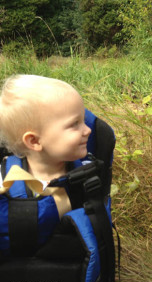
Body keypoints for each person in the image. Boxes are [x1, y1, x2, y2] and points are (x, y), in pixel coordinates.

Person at [0, 74, 91, 215]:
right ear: (34, 141)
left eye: (84, 120)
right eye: (74, 124)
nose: (88, 130)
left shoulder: (88, 173)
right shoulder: (4, 184)